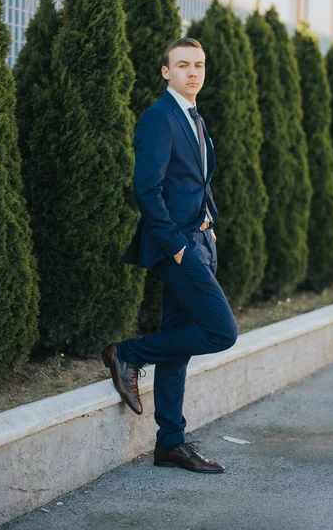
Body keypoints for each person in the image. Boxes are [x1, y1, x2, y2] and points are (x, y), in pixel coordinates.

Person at [102, 37, 238, 473]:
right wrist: (178, 247)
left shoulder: (194, 118)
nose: (192, 72)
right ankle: (128, 352)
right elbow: (147, 191)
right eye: (182, 65)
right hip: (176, 245)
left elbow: (197, 181)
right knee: (221, 331)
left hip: (199, 239)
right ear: (166, 72)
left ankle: (170, 442)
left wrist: (207, 229)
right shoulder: (159, 117)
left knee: (179, 342)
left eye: (198, 65)